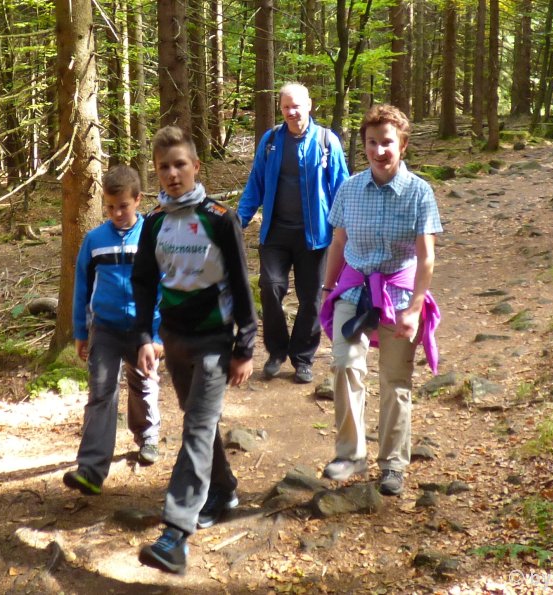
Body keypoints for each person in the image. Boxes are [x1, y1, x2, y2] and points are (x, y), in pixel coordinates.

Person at [132, 126, 256, 574]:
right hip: (175, 341)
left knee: (198, 429)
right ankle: (223, 490)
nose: (171, 174)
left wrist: (245, 344)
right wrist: (146, 337)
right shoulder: (154, 223)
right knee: (198, 424)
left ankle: (175, 534)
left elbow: (242, 284)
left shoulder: (220, 218)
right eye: (163, 167)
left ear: (196, 166)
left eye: (179, 164)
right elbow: (144, 282)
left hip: (213, 341)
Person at [318, 104, 442, 497]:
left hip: (400, 295)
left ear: (402, 145)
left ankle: (392, 464)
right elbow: (338, 241)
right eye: (372, 143)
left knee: (394, 380)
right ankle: (351, 453)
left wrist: (415, 308)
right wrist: (327, 287)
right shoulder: (350, 188)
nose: (379, 151)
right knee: (345, 365)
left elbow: (426, 257)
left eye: (387, 142)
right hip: (353, 291)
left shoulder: (419, 193)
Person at [237, 83, 349, 384]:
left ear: (309, 105)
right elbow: (256, 183)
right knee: (271, 288)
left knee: (312, 298)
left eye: (297, 105)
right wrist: (239, 220)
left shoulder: (327, 141)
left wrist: (347, 228)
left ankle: (302, 358)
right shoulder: (271, 141)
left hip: (316, 236)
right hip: (275, 232)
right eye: (286, 106)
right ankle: (276, 352)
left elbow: (341, 187)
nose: (292, 111)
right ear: (280, 108)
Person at [62, 165, 163, 497]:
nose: (118, 213)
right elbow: (81, 288)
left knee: (143, 384)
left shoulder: (152, 235)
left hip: (142, 329)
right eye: (110, 207)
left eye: (124, 205)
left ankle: (147, 436)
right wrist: (81, 332)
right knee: (101, 395)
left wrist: (158, 335)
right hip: (104, 328)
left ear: (138, 200)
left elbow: (163, 287)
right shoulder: (94, 240)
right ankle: (91, 469)